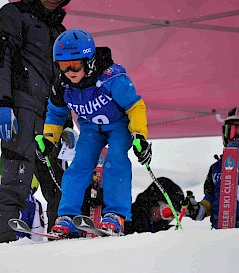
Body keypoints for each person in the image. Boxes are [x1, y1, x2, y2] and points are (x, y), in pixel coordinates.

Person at [36, 28, 152, 236]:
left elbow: (135, 106)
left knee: (115, 160)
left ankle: (115, 214)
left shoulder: (112, 78)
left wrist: (139, 136)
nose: (70, 71)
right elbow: (55, 114)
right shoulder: (62, 86)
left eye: (75, 64)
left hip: (119, 125)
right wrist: (48, 139)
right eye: (63, 65)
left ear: (88, 61)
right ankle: (67, 216)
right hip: (90, 127)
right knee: (79, 165)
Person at [0, 0, 72, 244]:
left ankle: (66, 248)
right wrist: (2, 103)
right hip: (22, 112)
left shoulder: (59, 32)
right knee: (16, 184)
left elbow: (64, 83)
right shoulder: (14, 14)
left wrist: (67, 125)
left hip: (52, 119)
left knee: (62, 190)